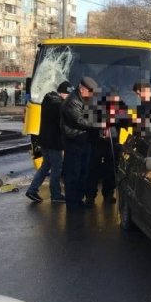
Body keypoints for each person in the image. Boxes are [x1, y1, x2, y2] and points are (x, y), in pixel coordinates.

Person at [26, 81, 71, 203]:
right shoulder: (59, 105)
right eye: (68, 94)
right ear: (62, 93)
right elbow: (62, 124)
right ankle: (56, 195)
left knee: (46, 165)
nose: (69, 97)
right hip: (54, 141)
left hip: (44, 140)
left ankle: (32, 190)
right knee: (57, 168)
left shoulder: (48, 100)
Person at [61, 76, 101, 210]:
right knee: (73, 174)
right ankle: (72, 204)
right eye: (90, 92)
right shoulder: (72, 101)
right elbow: (80, 121)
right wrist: (99, 124)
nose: (91, 95)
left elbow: (92, 115)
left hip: (85, 141)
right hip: (74, 142)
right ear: (82, 89)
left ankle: (79, 200)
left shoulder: (85, 99)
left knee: (83, 173)